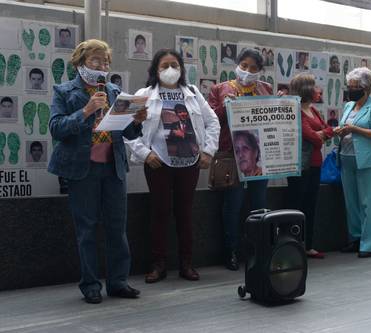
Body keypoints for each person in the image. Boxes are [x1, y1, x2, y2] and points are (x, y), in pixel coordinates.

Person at [48, 39, 146, 304]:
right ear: (80, 63)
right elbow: (56, 128)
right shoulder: (64, 91)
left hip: (113, 167)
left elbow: (127, 132)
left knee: (117, 228)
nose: (102, 66)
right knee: (87, 229)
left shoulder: (114, 90)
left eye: (105, 62)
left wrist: (137, 121)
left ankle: (118, 282)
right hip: (83, 170)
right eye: (96, 61)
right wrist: (86, 110)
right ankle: (90, 284)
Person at [126, 49, 220, 283]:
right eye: (164, 65)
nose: (170, 70)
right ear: (155, 70)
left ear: (181, 69)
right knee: (159, 213)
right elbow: (127, 129)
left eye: (175, 65)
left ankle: (187, 264)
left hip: (189, 162)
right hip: (159, 163)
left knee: (185, 213)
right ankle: (158, 265)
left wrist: (208, 151)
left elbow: (212, 122)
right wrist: (145, 154)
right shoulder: (144, 94)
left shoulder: (193, 93)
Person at [208, 48, 272, 270]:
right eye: (244, 66)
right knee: (232, 205)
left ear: (260, 71)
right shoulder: (220, 89)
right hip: (230, 155)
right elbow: (211, 120)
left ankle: (258, 249)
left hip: (259, 157)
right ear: (236, 65)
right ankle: (231, 251)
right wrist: (226, 108)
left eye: (253, 68)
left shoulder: (266, 89)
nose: (247, 71)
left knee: (259, 205)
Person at [336, 67, 371, 258]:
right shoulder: (349, 106)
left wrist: (353, 129)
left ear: (366, 88)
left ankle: (369, 244)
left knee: (368, 203)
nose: (351, 90)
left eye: (355, 86)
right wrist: (339, 130)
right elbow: (345, 127)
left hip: (368, 161)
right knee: (352, 203)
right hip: (347, 157)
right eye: (350, 86)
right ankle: (355, 238)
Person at [286, 73, 334, 259]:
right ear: (306, 89)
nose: (318, 90)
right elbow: (313, 136)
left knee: (311, 205)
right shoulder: (296, 110)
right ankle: (292, 244)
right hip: (300, 165)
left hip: (315, 164)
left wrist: (323, 133)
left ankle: (308, 245)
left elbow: (326, 130)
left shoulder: (313, 110)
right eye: (314, 87)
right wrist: (323, 133)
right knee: (296, 205)